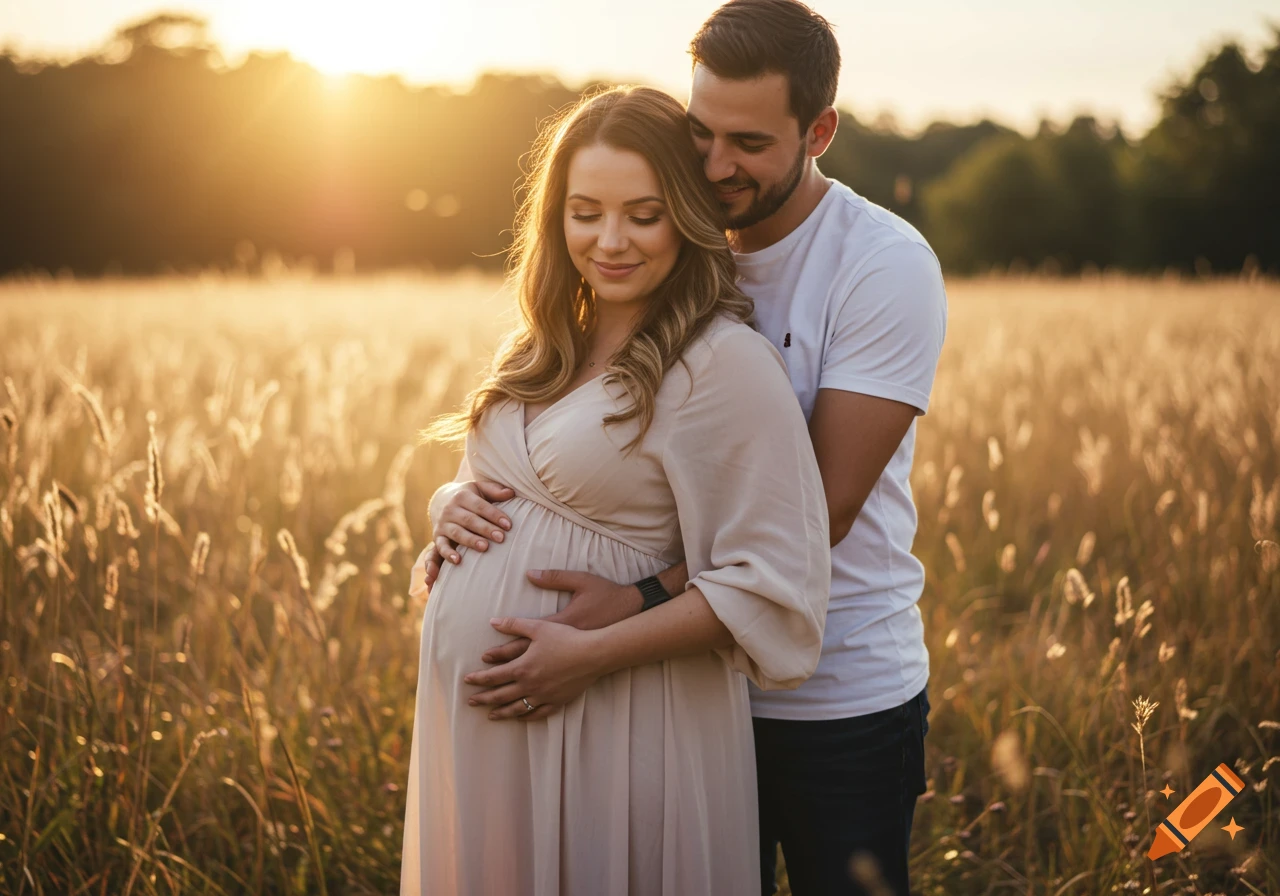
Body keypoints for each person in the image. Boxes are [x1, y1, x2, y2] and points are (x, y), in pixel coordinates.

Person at [422, 2, 949, 894]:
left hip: (832, 693)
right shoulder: (648, 251)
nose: (713, 165)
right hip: (660, 694)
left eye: (747, 143)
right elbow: (574, 457)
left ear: (819, 131)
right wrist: (453, 505)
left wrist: (624, 608)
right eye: (699, 133)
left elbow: (816, 512)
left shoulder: (879, 266)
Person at [399, 84, 831, 896]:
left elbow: (778, 584)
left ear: (688, 217)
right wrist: (444, 508)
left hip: (622, 722)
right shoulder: (541, 348)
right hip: (491, 740)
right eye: (585, 211)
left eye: (644, 212)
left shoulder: (722, 363)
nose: (611, 240)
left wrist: (589, 655)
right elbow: (499, 487)